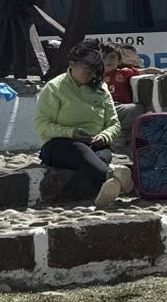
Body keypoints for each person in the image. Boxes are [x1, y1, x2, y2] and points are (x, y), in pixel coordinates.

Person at [35, 41, 125, 207]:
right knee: (79, 150)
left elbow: (114, 124)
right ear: (72, 64)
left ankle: (104, 190)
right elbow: (42, 125)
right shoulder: (54, 87)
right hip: (59, 145)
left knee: (101, 157)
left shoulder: (101, 88)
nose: (89, 70)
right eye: (85, 65)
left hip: (96, 144)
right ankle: (114, 177)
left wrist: (104, 136)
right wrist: (71, 133)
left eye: (93, 67)